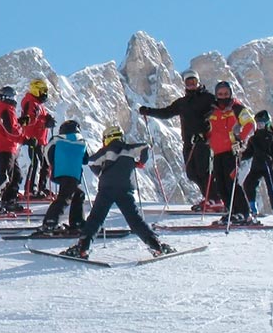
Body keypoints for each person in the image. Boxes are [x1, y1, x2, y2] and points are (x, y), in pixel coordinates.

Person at [61, 126, 175, 259]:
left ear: (107, 139)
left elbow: (91, 162)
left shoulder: (105, 151)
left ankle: (83, 248)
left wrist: (100, 172)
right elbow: (146, 147)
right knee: (135, 220)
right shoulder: (129, 149)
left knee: (96, 219)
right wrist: (140, 163)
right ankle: (156, 245)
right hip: (125, 189)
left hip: (106, 189)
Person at [138, 69, 219, 211]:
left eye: (193, 81)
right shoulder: (182, 103)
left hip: (202, 141)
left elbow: (217, 111)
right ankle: (208, 198)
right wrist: (148, 111)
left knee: (203, 170)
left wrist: (207, 125)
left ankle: (215, 199)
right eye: (188, 82)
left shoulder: (208, 98)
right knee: (191, 173)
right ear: (185, 84)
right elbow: (166, 112)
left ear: (198, 82)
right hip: (188, 142)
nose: (191, 84)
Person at [207, 81, 256, 225]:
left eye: (226, 94)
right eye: (220, 94)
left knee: (231, 182)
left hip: (231, 151)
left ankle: (244, 213)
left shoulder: (236, 108)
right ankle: (232, 211)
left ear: (230, 94)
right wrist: (203, 136)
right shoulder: (213, 111)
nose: (223, 97)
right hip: (217, 153)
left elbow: (250, 124)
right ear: (216, 95)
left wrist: (240, 139)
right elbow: (210, 130)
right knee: (221, 185)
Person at [35, 120, 90, 235]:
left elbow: (47, 152)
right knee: (65, 198)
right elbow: (85, 160)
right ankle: (51, 223)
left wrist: (53, 164)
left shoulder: (56, 139)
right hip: (74, 174)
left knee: (77, 194)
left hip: (59, 171)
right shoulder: (82, 141)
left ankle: (74, 222)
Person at [0, 86, 28, 214]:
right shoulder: (6, 109)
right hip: (5, 147)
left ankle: (8, 200)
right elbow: (10, 130)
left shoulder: (3, 109)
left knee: (16, 175)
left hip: (8, 146)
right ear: (8, 97)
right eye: (13, 97)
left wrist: (20, 122)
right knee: (5, 177)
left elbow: (10, 126)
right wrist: (25, 139)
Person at [242, 110, 273, 216]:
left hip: (269, 166)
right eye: (258, 124)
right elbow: (249, 152)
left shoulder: (271, 137)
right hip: (257, 166)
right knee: (248, 184)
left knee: (272, 187)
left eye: (262, 123)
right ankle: (252, 207)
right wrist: (240, 156)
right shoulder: (253, 139)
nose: (259, 126)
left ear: (267, 124)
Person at [20, 78, 56, 199]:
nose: (45, 94)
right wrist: (44, 122)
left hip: (41, 140)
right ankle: (30, 189)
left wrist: (48, 120)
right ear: (36, 91)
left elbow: (40, 118)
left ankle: (41, 187)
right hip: (33, 139)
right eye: (42, 91)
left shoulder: (39, 105)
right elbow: (29, 121)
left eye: (45, 91)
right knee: (35, 163)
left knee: (45, 164)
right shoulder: (31, 103)